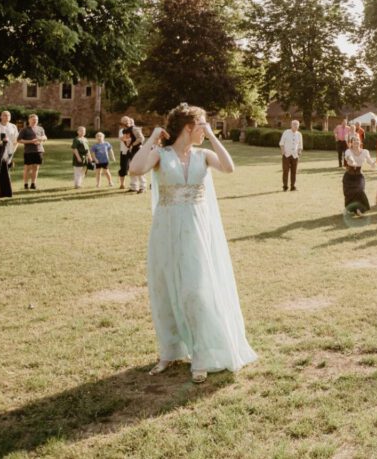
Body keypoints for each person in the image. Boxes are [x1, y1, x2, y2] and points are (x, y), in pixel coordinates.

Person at [129, 103, 258, 384]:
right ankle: (169, 351)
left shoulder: (204, 155)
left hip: (199, 231)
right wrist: (151, 138)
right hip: (166, 230)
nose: (205, 128)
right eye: (202, 124)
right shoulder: (160, 155)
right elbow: (135, 170)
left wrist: (212, 135)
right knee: (166, 288)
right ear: (189, 127)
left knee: (196, 290)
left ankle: (200, 354)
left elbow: (229, 167)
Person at [343, 133, 376, 217]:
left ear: (360, 142)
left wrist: (372, 163)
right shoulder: (348, 151)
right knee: (349, 193)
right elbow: (349, 157)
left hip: (359, 176)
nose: (356, 141)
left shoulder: (365, 151)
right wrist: (353, 162)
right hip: (349, 176)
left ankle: (358, 210)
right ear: (351, 142)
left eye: (357, 140)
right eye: (354, 140)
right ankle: (349, 209)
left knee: (360, 191)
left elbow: (368, 159)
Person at [17, 113, 47, 190]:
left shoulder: (40, 129)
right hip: (29, 151)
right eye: (33, 119)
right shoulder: (24, 129)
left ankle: (33, 184)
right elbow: (19, 140)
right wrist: (31, 141)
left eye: (36, 120)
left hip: (39, 150)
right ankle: (26, 184)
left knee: (36, 168)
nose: (35, 121)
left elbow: (45, 137)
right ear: (29, 120)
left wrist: (41, 139)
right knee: (27, 168)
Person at [118, 116, 145, 193]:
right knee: (131, 169)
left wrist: (133, 145)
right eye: (123, 121)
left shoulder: (135, 129)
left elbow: (141, 138)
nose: (125, 122)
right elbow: (126, 141)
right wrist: (127, 144)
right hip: (130, 151)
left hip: (137, 150)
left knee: (138, 168)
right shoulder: (124, 131)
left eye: (126, 121)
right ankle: (134, 186)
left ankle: (142, 186)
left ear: (129, 121)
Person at [279, 120, 303, 192]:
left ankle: (293, 186)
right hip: (286, 154)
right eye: (294, 125)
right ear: (291, 125)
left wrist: (299, 152)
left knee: (294, 171)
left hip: (295, 156)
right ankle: (285, 186)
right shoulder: (286, 132)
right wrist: (283, 151)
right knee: (285, 171)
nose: (295, 126)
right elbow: (281, 143)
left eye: (297, 125)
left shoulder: (299, 134)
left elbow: (300, 145)